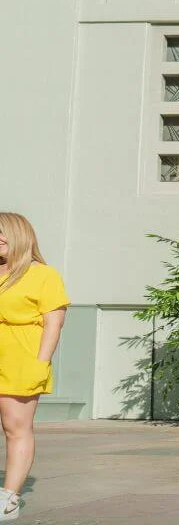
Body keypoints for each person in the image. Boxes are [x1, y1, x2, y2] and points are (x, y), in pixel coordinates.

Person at [0, 213, 69, 522]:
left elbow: (53, 325)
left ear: (20, 235)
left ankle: (9, 498)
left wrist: (40, 364)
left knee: (15, 429)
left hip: (21, 361)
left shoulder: (43, 275)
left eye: (2, 234)